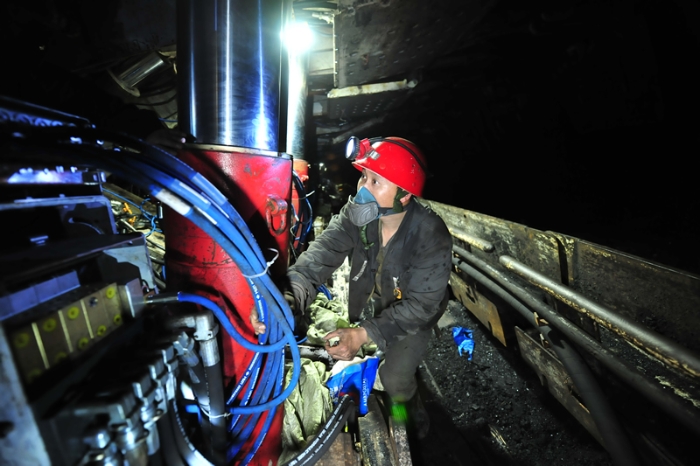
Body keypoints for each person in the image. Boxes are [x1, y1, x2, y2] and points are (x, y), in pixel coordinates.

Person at [253, 136, 453, 438]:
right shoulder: (357, 216)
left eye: (375, 182)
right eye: (363, 177)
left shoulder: (430, 235)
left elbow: (421, 306)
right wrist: (285, 299)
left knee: (395, 379)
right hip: (381, 295)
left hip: (416, 310)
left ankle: (409, 418)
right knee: (377, 340)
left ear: (404, 195)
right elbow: (319, 258)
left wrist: (363, 333)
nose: (362, 189)